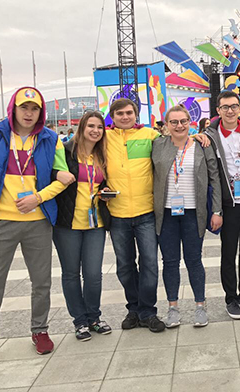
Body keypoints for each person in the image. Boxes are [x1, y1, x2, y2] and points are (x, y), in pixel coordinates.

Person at [0, 87, 74, 373]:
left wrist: (38, 198)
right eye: (24, 107)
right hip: (1, 222)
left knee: (41, 282)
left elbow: (62, 179)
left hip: (37, 222)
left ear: (41, 112)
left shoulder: (51, 138)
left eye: (34, 108)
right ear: (13, 108)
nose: (29, 113)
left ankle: (40, 329)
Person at [152, 105, 222, 327]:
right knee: (170, 261)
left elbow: (215, 178)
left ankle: (200, 306)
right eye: (174, 122)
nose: (179, 126)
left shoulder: (202, 145)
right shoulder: (158, 145)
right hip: (167, 213)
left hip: (194, 212)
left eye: (183, 121)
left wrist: (217, 211)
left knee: (194, 260)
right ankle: (173, 307)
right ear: (166, 125)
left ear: (190, 122)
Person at [105, 98, 165, 333]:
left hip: (146, 212)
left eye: (129, 112)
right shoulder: (104, 137)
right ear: (113, 116)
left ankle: (148, 311)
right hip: (117, 214)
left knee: (149, 263)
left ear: (136, 114)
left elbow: (176, 143)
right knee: (125, 266)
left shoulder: (150, 135)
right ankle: (134, 309)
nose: (125, 117)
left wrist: (198, 137)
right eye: (120, 113)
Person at [53, 111, 113, 341]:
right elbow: (50, 173)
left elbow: (103, 183)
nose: (95, 131)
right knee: (71, 274)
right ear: (82, 128)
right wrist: (57, 174)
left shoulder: (101, 154)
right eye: (91, 126)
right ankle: (79, 321)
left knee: (93, 274)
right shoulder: (66, 151)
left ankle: (94, 317)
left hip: (95, 223)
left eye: (99, 127)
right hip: (67, 223)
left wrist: (105, 191)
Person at [204, 92, 240, 320]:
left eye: (234, 106)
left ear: (239, 108)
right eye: (225, 107)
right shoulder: (211, 136)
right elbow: (212, 175)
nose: (230, 111)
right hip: (229, 204)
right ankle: (231, 298)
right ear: (218, 110)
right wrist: (216, 210)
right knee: (228, 253)